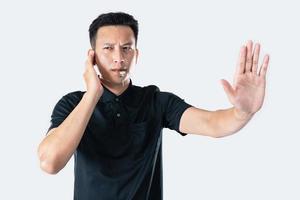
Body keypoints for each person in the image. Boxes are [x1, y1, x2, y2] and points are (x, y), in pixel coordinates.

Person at [37, 12, 270, 200]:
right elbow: (50, 163)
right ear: (93, 57)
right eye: (108, 48)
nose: (119, 57)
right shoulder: (72, 103)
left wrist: (244, 111)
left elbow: (214, 124)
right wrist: (92, 94)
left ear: (136, 55)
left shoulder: (155, 101)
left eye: (126, 48)